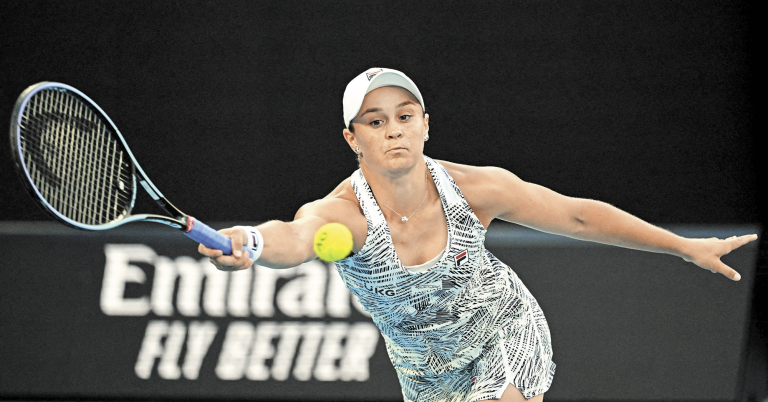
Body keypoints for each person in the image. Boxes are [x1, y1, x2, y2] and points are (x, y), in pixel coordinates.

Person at [198, 67, 757, 402]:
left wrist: (683, 245)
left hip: (504, 329)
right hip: (425, 373)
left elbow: (577, 216)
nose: (393, 129)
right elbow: (295, 237)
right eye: (375, 121)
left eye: (405, 115)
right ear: (352, 139)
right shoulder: (346, 215)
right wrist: (251, 241)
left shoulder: (476, 188)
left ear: (424, 124)